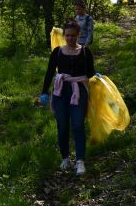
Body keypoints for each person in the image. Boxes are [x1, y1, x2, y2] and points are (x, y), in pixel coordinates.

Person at [40, 20, 96, 175]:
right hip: (60, 92)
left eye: (73, 36)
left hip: (78, 91)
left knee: (78, 125)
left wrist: (96, 77)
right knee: (62, 126)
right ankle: (65, 158)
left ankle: (80, 161)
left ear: (78, 35)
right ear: (64, 35)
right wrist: (44, 92)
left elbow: (90, 72)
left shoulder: (85, 52)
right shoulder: (57, 52)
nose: (70, 38)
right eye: (67, 35)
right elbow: (50, 72)